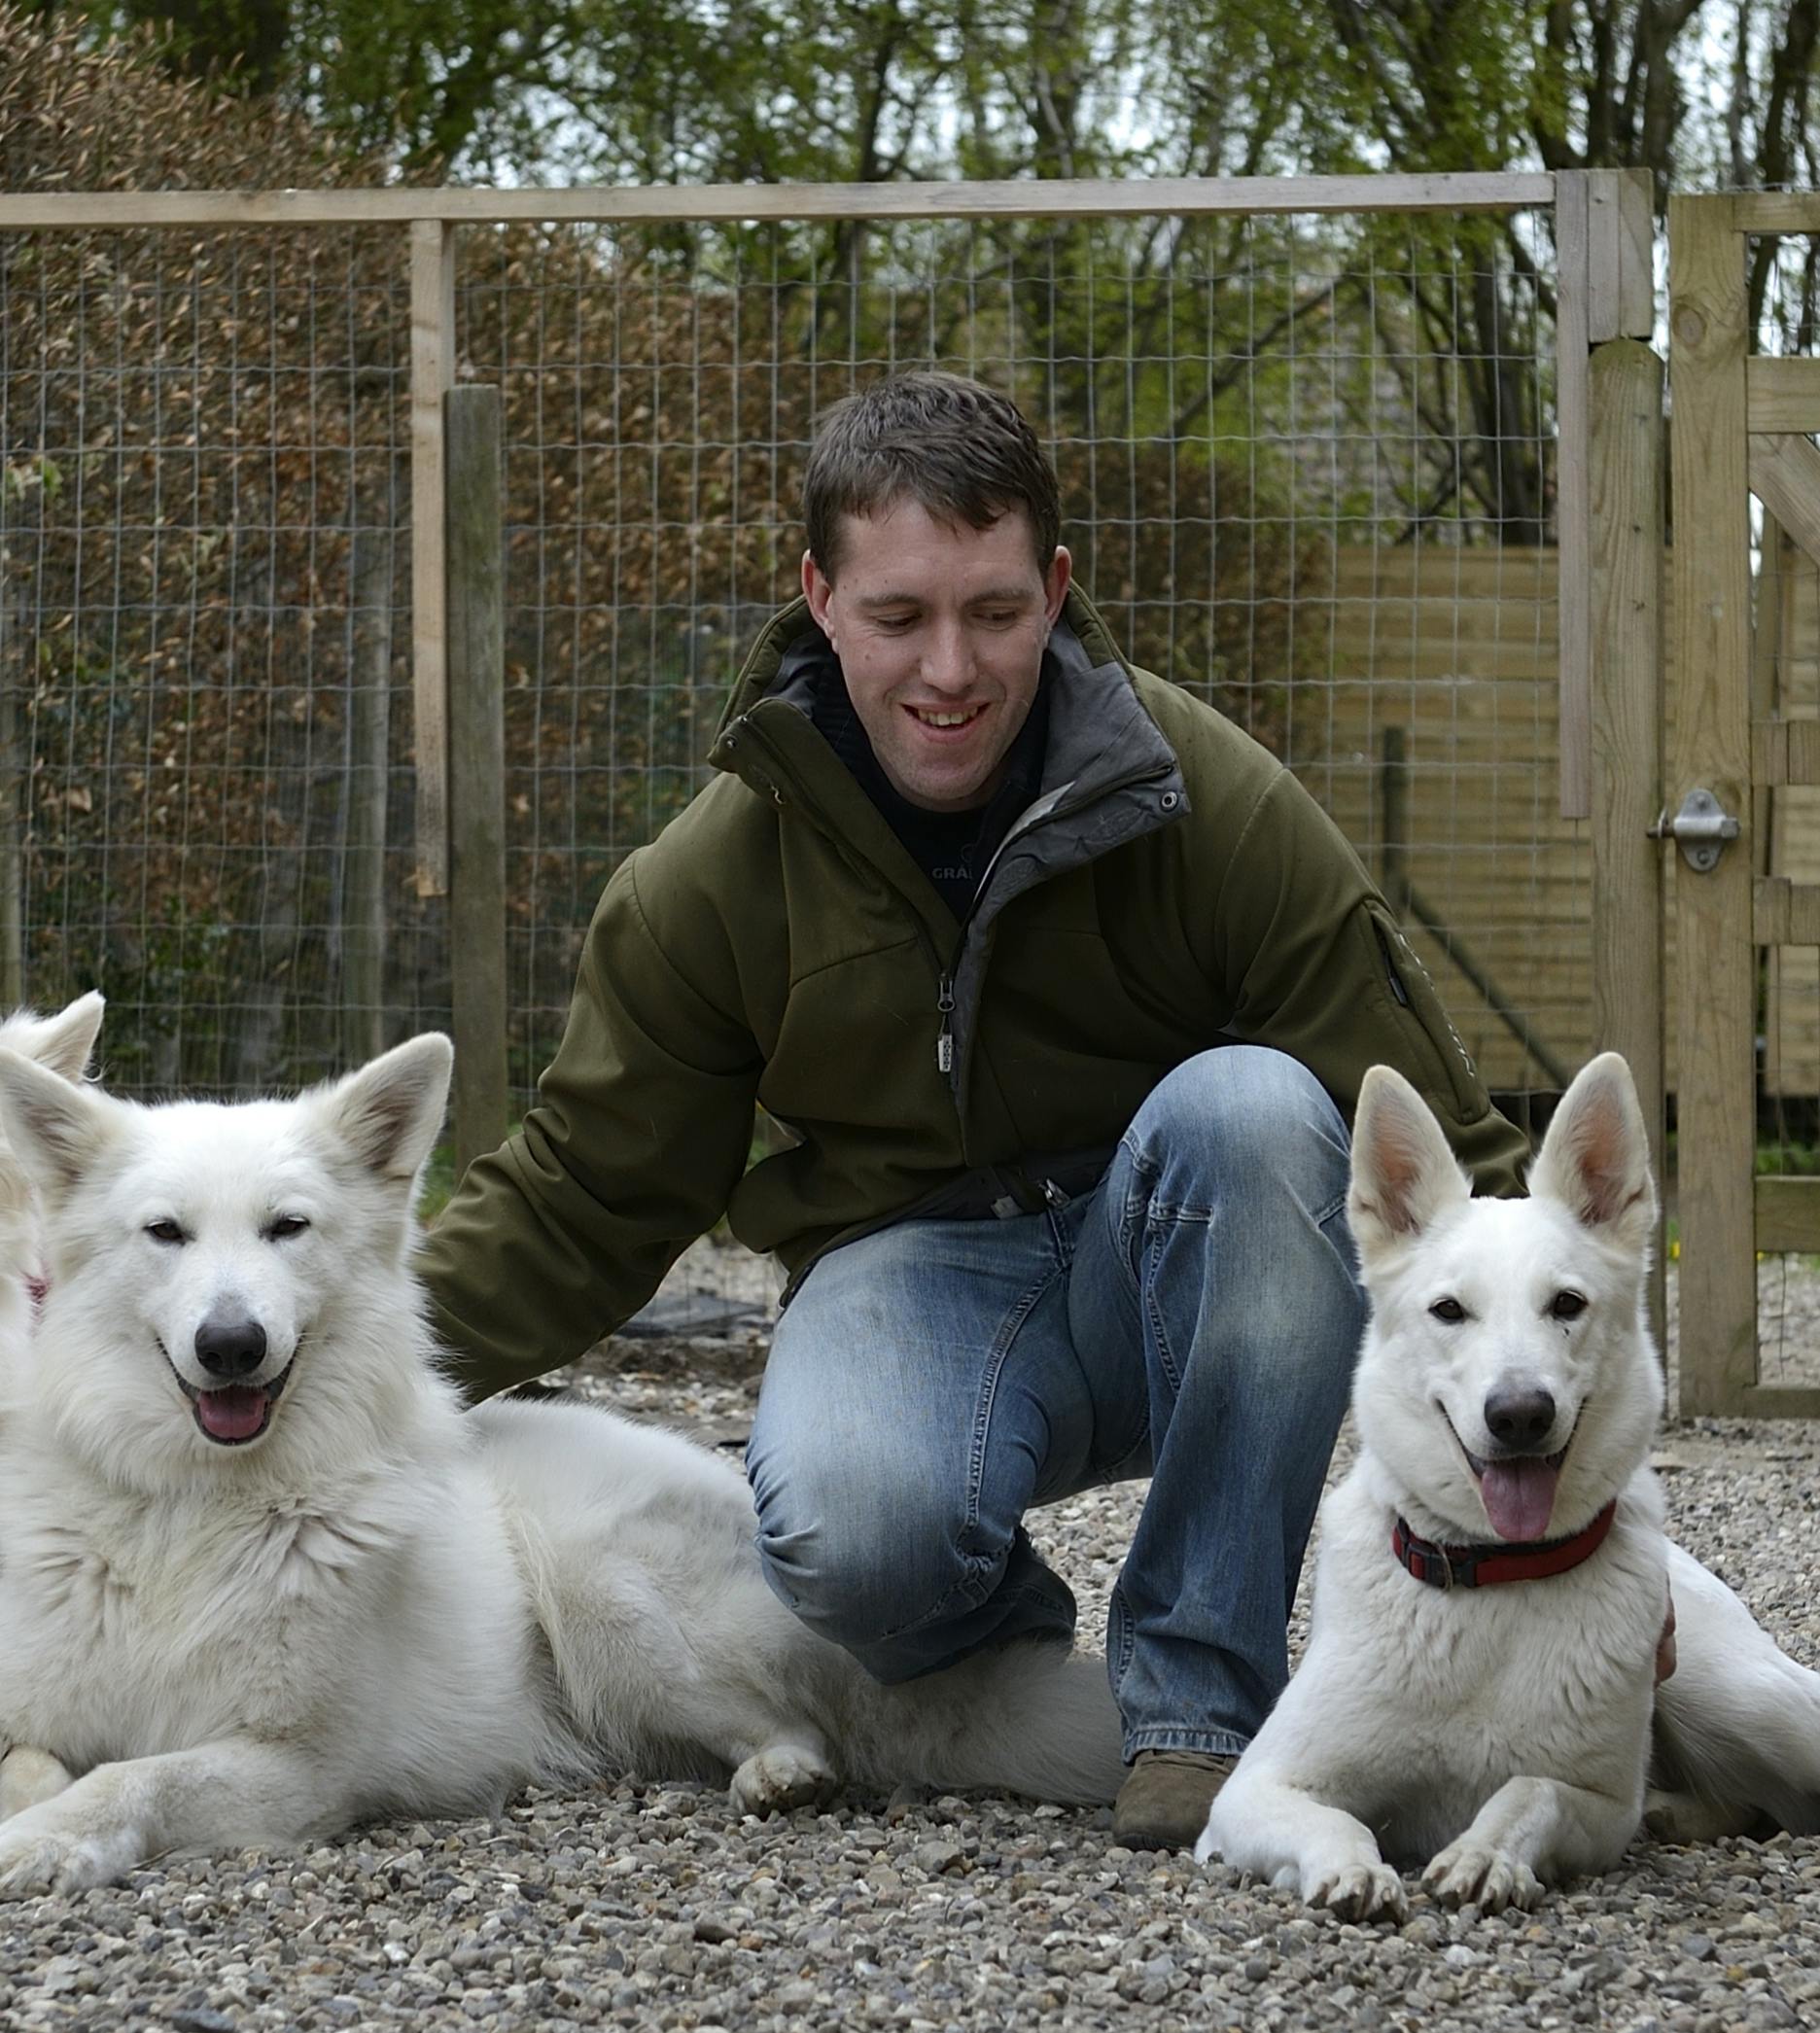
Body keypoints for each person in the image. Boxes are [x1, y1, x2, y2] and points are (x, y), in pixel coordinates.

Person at [416, 369, 1526, 1851]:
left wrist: (1603, 1541)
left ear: (1057, 591)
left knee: (1258, 1112)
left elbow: (1458, 1179)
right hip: (911, 1273)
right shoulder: (709, 885)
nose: (950, 667)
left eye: (995, 612)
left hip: (1177, 1259)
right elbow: (579, 1199)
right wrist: (330, 1359)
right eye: (897, 616)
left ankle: (1199, 1711)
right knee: (849, 1535)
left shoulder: (1210, 800)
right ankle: (1000, 1638)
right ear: (819, 596)